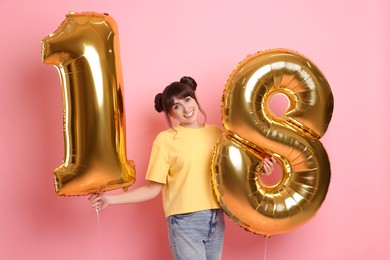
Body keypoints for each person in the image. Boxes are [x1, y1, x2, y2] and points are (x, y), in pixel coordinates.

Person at [89, 76, 276, 260]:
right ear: (171, 114)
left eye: (187, 99)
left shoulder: (217, 134)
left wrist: (259, 170)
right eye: (176, 106)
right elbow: (152, 189)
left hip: (216, 218)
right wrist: (110, 200)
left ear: (194, 97)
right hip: (184, 223)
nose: (186, 109)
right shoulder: (165, 140)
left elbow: (231, 174)